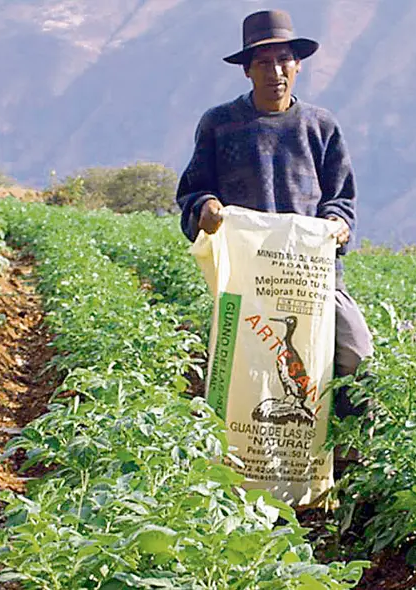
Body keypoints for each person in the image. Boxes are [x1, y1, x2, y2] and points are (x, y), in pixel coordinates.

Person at [175, 9, 373, 420]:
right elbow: (192, 192)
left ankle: (349, 457)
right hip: (247, 277)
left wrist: (337, 224)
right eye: (263, 62)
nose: (275, 71)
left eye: (283, 60)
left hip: (312, 277)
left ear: (298, 65)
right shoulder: (220, 125)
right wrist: (206, 209)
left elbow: (341, 198)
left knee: (357, 356)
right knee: (235, 374)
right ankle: (229, 460)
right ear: (247, 70)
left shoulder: (321, 126)